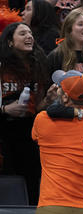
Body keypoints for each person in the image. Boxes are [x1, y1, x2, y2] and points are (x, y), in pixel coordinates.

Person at [32, 70, 83, 214]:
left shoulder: (42, 120)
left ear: (65, 97)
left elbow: (36, 134)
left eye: (59, 88)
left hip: (50, 207)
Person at [0, 22, 53, 204]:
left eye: (30, 33)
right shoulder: (2, 66)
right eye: (22, 33)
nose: (29, 36)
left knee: (32, 178)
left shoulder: (38, 65)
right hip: (3, 131)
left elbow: (37, 108)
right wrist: (5, 109)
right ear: (10, 42)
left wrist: (48, 100)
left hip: (29, 132)